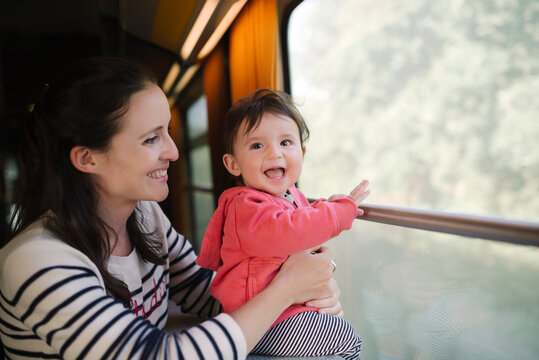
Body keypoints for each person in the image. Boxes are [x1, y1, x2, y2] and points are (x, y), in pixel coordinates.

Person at [0, 57, 343, 359]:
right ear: (88, 158)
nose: (173, 152)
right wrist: (285, 290)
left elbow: (207, 294)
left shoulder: (144, 215)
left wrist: (303, 302)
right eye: (151, 138)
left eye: (168, 132)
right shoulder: (37, 260)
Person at [196, 88, 370, 359]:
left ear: (302, 153)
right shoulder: (246, 206)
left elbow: (300, 216)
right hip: (261, 321)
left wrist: (332, 203)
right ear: (233, 164)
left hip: (284, 312)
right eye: (257, 145)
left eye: (286, 142)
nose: (274, 154)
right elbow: (290, 229)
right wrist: (338, 213)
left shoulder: (290, 195)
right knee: (344, 338)